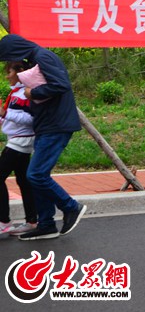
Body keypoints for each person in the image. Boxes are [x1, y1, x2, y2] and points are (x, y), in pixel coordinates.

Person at [0, 35, 85, 241]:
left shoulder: (43, 56)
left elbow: (61, 84)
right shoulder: (36, 58)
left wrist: (32, 93)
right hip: (46, 125)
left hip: (56, 125)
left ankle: (71, 207)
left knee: (36, 175)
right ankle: (46, 224)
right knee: (35, 176)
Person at [0, 61, 37, 236]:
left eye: (10, 72)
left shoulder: (27, 93)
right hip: (16, 140)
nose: (7, 76)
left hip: (20, 142)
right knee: (23, 181)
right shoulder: (16, 93)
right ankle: (31, 221)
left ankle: (4, 221)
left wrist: (5, 113)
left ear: (21, 72)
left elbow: (30, 119)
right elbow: (10, 118)